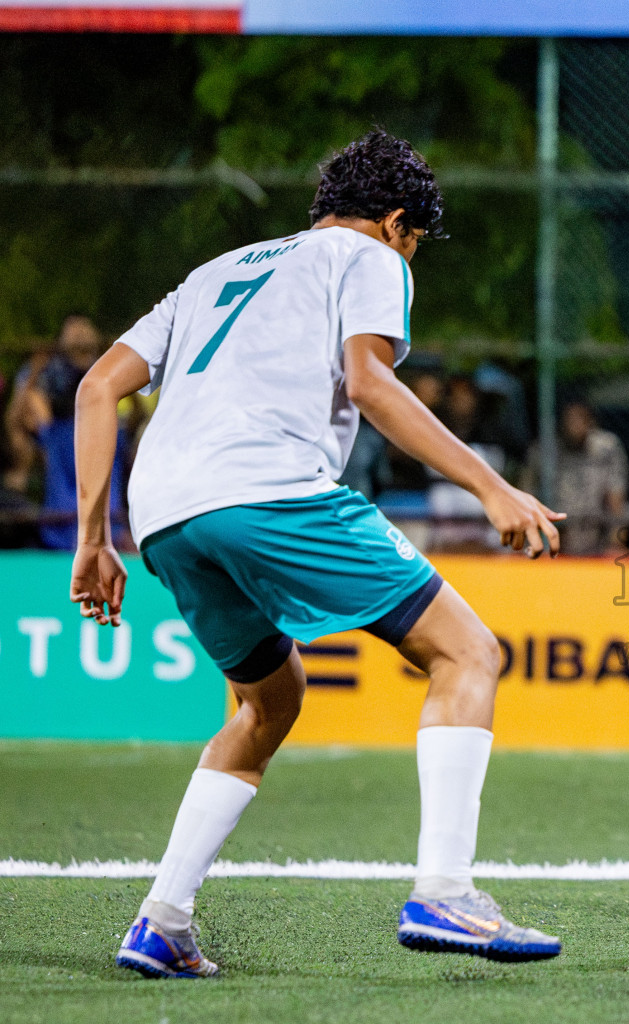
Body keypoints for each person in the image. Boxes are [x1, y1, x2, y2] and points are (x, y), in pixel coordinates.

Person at [69, 130, 567, 979]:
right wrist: (493, 488)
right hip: (267, 489)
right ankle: (445, 890)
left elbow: (96, 387)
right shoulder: (370, 256)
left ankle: (162, 920)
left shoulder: (215, 272)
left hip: (163, 515)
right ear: (397, 221)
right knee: (468, 651)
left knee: (268, 703)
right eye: (415, 242)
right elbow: (372, 384)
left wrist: (93, 536)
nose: (411, 258)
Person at [17, 316, 131, 549]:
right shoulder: (111, 431)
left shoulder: (54, 432)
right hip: (84, 533)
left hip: (69, 532)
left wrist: (36, 370)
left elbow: (20, 415)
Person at [522, 398, 629, 555]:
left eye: (581, 418)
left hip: (596, 534)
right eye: (570, 419)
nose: (575, 424)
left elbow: (616, 502)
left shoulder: (607, 448)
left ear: (591, 421)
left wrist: (616, 543)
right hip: (554, 535)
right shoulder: (544, 451)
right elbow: (527, 495)